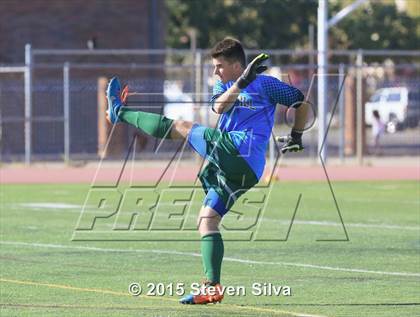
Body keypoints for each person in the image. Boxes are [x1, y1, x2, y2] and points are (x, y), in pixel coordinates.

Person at [105, 38, 307, 304]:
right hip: (242, 168)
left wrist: (296, 135)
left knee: (184, 127)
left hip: (240, 152)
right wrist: (240, 83)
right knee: (207, 219)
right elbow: (219, 107)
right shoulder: (225, 85)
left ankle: (120, 112)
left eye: (220, 66)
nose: (215, 71)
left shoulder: (267, 84)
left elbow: (300, 102)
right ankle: (212, 286)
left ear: (237, 64)